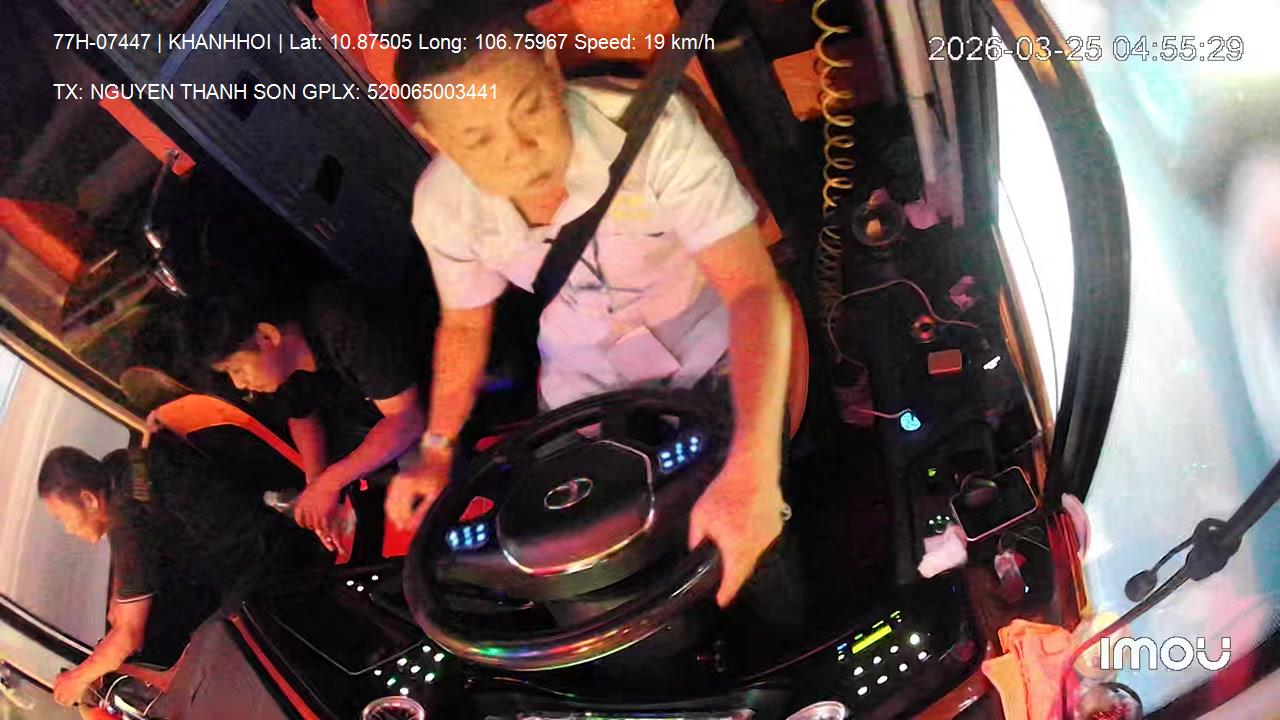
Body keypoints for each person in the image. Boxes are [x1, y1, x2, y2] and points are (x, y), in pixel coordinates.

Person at [386, 3, 793, 608]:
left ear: (551, 70)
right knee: (577, 569)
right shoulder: (442, 205)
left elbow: (753, 290)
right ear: (435, 138)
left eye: (528, 109)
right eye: (478, 140)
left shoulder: (652, 130)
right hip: (583, 386)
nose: (519, 153)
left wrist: (753, 469)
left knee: (752, 549)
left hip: (708, 353)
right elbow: (465, 324)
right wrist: (436, 448)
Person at [38, 435, 326, 706]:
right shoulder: (123, 465)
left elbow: (128, 636)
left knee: (216, 677)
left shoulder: (127, 519)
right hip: (267, 537)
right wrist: (120, 595)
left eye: (62, 518)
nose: (68, 529)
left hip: (267, 571)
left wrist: (77, 679)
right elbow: (138, 546)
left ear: (89, 499)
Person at [193, 280, 432, 546]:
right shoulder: (286, 371)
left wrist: (329, 484)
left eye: (236, 368)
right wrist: (315, 484)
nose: (238, 384)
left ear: (267, 336)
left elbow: (407, 419)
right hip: (370, 413)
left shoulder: (343, 323)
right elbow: (302, 414)